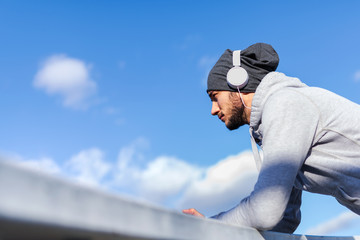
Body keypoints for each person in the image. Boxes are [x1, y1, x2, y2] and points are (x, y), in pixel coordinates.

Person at [182, 43, 360, 233]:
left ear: (238, 81)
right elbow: (285, 218)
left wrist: (210, 227)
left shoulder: (285, 105)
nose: (213, 109)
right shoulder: (282, 115)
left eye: (215, 96)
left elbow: (265, 211)